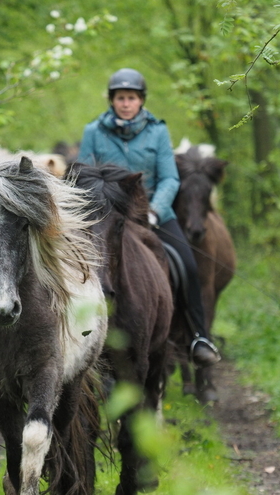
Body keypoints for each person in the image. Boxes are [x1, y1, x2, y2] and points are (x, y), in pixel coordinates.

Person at [76, 67, 220, 368]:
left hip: (154, 213)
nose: (125, 103)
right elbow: (84, 176)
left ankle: (199, 336)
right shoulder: (93, 132)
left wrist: (154, 209)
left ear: (141, 100)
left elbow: (169, 178)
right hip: (107, 216)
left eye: (131, 97)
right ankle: (73, 330)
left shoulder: (158, 131)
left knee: (188, 265)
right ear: (111, 100)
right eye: (120, 98)